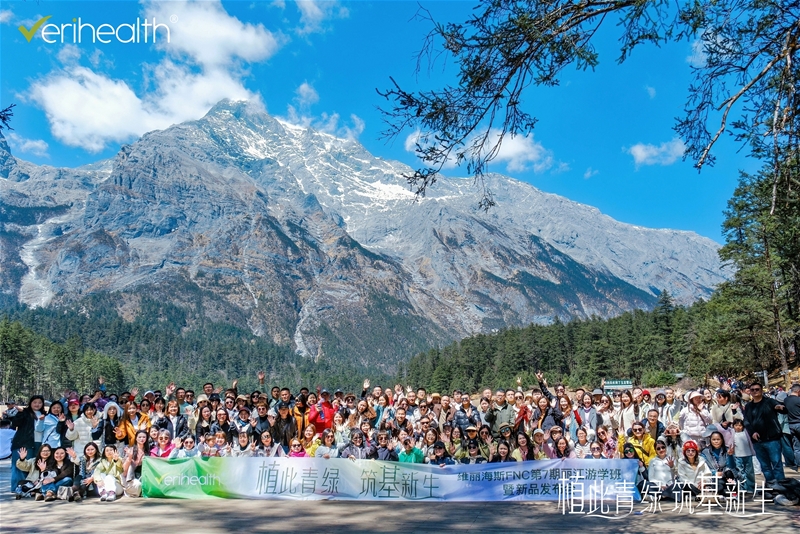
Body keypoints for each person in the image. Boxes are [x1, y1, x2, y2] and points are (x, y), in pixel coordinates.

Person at [743, 381, 786, 488]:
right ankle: (771, 486)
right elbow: (746, 422)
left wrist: (779, 407)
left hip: (772, 439)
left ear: (761, 390)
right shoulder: (748, 406)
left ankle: (782, 487)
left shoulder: (770, 402)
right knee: (765, 466)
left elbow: (780, 408)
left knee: (777, 464)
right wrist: (752, 432)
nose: (755, 391)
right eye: (752, 390)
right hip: (757, 441)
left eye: (757, 389)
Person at [8, 395, 45, 492]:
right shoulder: (24, 412)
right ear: (30, 403)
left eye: (39, 402)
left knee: (32, 467)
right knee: (19, 465)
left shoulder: (44, 414)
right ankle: (17, 487)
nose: (37, 404)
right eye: (35, 402)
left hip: (38, 443)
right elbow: (14, 424)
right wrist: (20, 413)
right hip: (22, 443)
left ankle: (28, 487)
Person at [731, 417, 756, 493]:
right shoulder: (732, 434)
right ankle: (742, 488)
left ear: (743, 426)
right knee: (740, 472)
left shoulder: (746, 432)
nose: (738, 427)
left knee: (749, 472)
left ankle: (751, 487)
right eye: (736, 425)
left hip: (748, 455)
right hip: (738, 456)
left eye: (740, 425)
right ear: (733, 426)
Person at [121, 430, 150, 497]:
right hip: (130, 478)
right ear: (136, 438)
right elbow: (124, 469)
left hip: (142, 476)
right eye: (139, 437)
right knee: (138, 485)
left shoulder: (147, 451)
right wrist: (130, 457)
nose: (142, 439)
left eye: (144, 437)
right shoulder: (130, 450)